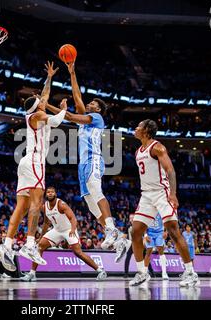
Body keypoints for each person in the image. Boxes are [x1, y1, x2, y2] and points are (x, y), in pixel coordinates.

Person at [46, 62, 128, 259]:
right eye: (90, 103)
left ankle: (109, 229)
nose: (89, 104)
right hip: (82, 164)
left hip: (93, 159)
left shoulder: (97, 118)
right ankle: (120, 240)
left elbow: (72, 117)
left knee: (96, 189)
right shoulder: (86, 116)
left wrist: (61, 110)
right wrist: (72, 72)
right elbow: (77, 96)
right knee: (91, 205)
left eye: (93, 104)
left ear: (98, 109)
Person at [0, 61, 67, 271]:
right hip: (35, 162)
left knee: (22, 207)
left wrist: (49, 77)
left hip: (26, 162)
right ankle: (28, 244)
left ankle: (7, 245)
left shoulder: (35, 111)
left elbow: (44, 95)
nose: (42, 99)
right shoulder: (38, 115)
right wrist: (63, 109)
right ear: (37, 106)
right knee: (37, 204)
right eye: (39, 100)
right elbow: (55, 122)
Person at [130, 119, 199, 287]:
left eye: (138, 126)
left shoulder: (158, 147)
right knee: (135, 232)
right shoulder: (139, 150)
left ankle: (191, 273)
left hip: (162, 193)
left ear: (146, 130)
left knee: (173, 231)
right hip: (146, 195)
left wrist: (173, 194)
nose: (135, 128)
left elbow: (170, 170)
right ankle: (142, 273)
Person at [20, 186, 107, 281]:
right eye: (48, 192)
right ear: (46, 194)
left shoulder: (61, 204)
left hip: (68, 230)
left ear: (55, 194)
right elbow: (46, 223)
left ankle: (100, 270)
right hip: (57, 230)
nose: (50, 193)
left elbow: (73, 218)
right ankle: (32, 273)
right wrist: (41, 237)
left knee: (78, 252)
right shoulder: (45, 207)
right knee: (40, 246)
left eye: (52, 192)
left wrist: (73, 229)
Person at [143, 213, 169, 280]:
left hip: (160, 232)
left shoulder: (160, 209)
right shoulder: (148, 209)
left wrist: (165, 231)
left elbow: (166, 220)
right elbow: (144, 223)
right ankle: (145, 273)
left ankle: (164, 273)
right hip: (150, 233)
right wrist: (145, 235)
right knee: (148, 251)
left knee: (161, 250)